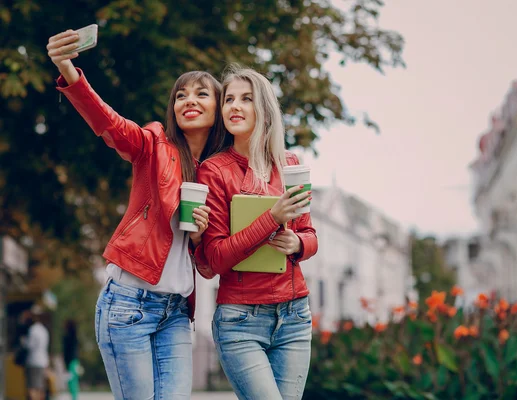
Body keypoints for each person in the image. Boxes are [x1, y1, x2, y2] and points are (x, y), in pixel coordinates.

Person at [46, 29, 230, 399]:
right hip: (128, 304)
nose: (188, 100)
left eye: (200, 93)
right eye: (181, 95)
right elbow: (110, 125)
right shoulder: (153, 143)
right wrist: (68, 70)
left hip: (177, 312)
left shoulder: (217, 171)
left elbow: (211, 263)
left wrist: (199, 239)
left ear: (219, 110)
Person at [195, 65, 318, 400]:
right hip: (240, 320)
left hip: (294, 315)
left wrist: (297, 244)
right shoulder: (214, 171)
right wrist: (272, 217)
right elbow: (216, 258)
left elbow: (310, 234)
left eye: (246, 99)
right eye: (229, 99)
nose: (235, 106)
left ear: (263, 107)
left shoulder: (290, 163)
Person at [22, 305, 50, 400]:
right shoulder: (44, 330)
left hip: (33, 361)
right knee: (40, 387)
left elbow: (30, 346)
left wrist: (23, 341)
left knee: (32, 387)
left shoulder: (33, 330)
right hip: (43, 361)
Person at [62, 319, 79, 400]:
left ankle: (74, 398)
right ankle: (74, 397)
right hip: (75, 361)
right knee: (74, 381)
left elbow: (66, 352)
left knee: (71, 381)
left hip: (70, 362)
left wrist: (65, 362)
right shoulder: (74, 336)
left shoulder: (67, 337)